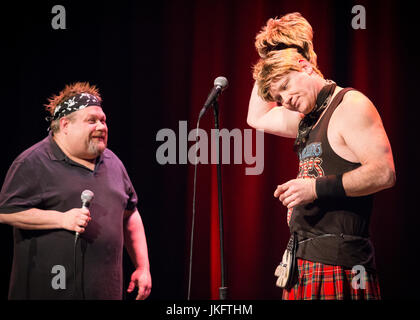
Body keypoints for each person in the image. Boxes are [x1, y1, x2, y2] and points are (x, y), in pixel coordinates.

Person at [247, 13, 395, 300]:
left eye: (287, 86)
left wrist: (314, 188)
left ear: (305, 66)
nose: (285, 101)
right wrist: (270, 55)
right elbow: (256, 116)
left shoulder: (349, 105)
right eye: (279, 97)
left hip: (341, 264)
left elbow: (384, 173)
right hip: (300, 262)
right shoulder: (306, 118)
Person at [0, 82, 152, 300]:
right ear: (65, 125)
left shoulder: (113, 163)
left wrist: (142, 266)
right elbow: (6, 212)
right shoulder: (33, 162)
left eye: (103, 120)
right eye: (91, 121)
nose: (101, 126)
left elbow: (130, 213)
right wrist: (61, 219)